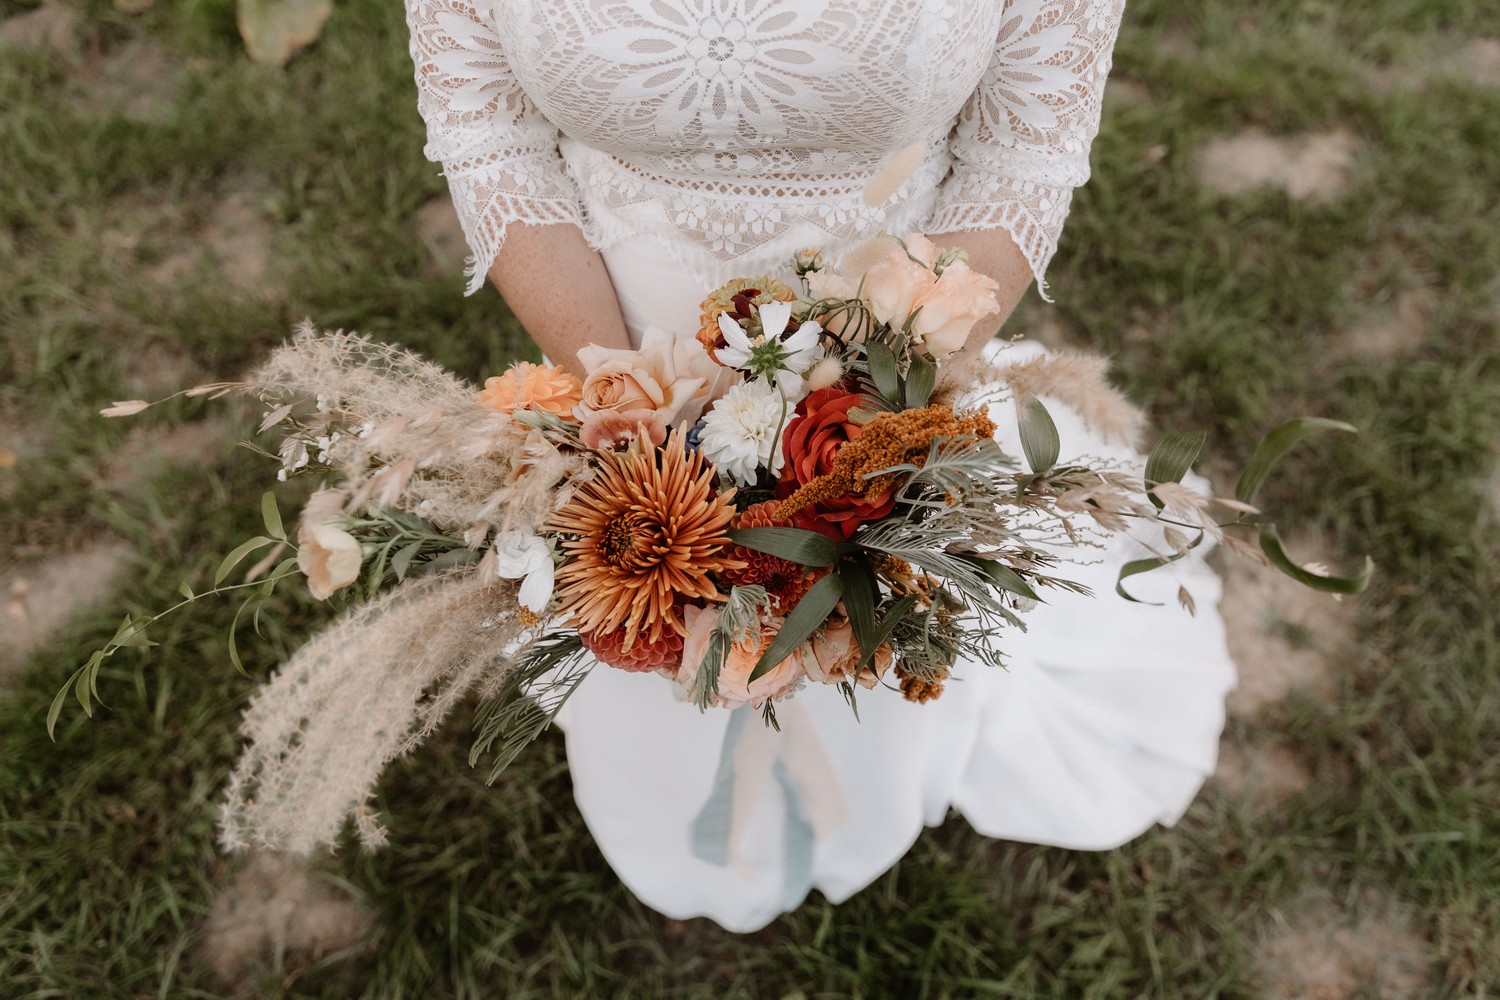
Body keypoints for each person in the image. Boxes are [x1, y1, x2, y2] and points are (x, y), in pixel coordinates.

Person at [404, 0, 1236, 932]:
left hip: (887, 373)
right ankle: (680, 799)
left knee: (865, 633)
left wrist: (862, 441)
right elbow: (490, 129)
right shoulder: (619, 403)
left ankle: (855, 788)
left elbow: (1018, 155)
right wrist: (625, 406)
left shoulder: (876, 414)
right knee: (645, 609)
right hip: (618, 355)